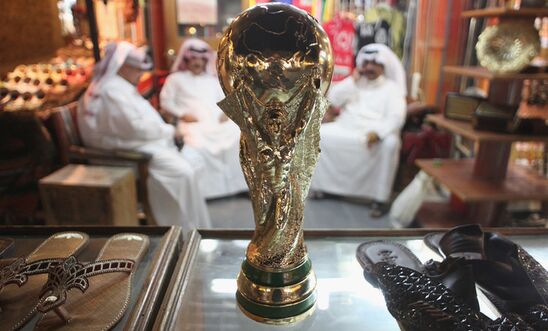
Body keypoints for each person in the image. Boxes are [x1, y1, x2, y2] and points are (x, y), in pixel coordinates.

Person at [77, 41, 210, 236]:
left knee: (196, 161)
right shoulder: (111, 90)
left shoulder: (116, 85)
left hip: (135, 143)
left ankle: (195, 228)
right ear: (122, 66)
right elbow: (134, 128)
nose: (140, 74)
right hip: (123, 152)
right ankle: (178, 233)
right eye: (136, 69)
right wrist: (168, 131)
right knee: (182, 173)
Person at [311, 43, 407, 217]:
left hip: (375, 132)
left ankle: (380, 199)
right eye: (366, 63)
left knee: (390, 144)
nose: (369, 68)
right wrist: (352, 80)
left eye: (374, 64)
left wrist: (378, 134)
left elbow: (396, 117)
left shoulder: (392, 89)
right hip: (347, 126)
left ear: (383, 66)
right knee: (320, 135)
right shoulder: (356, 83)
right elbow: (333, 99)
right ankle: (322, 188)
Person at [160, 38, 247, 199]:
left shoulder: (212, 81)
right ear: (186, 59)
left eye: (200, 59)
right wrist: (181, 114)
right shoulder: (175, 79)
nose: (197, 62)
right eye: (193, 58)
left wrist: (225, 113)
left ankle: (238, 186)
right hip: (192, 123)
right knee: (198, 144)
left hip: (216, 122)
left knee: (238, 136)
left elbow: (225, 100)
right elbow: (166, 102)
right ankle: (208, 192)